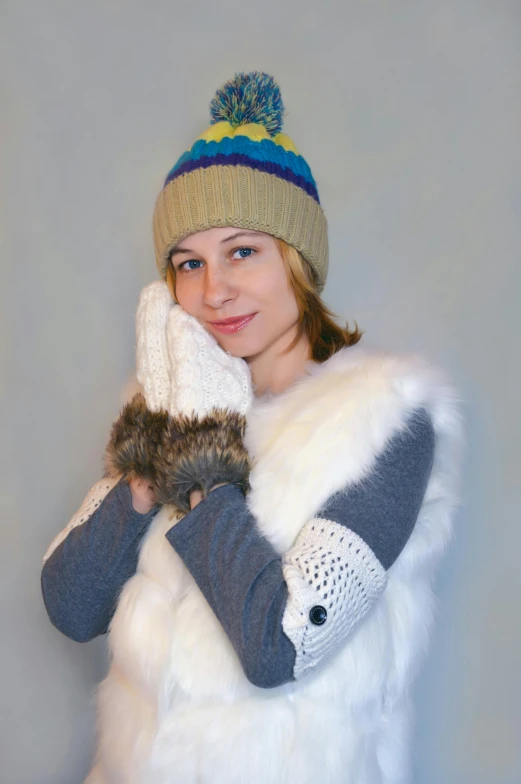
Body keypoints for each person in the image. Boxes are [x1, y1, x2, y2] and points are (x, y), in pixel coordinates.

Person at [41, 72, 463, 784]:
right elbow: (72, 605)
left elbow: (280, 646)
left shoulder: (385, 419)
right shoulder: (170, 407)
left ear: (296, 259)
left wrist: (203, 464)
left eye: (243, 251)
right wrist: (152, 456)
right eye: (187, 264)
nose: (213, 291)